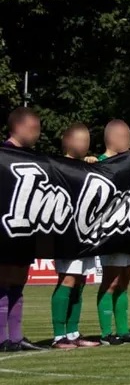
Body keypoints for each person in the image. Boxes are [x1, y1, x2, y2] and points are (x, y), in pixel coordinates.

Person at [94, 120, 130, 344]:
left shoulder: (129, 163)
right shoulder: (100, 164)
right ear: (112, 138)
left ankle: (123, 330)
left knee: (124, 280)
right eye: (125, 137)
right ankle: (106, 333)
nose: (129, 142)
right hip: (109, 232)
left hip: (128, 230)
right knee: (111, 281)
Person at [50, 123, 100, 349]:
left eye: (87, 140)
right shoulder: (57, 166)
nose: (85, 144)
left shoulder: (89, 167)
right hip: (66, 233)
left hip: (86, 234)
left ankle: (73, 333)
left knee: (80, 282)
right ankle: (59, 335)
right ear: (67, 141)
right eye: (80, 139)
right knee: (68, 280)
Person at [1, 107, 46, 351]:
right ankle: (1, 338)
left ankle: (16, 337)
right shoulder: (3, 154)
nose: (38, 134)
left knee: (19, 280)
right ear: (19, 127)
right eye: (34, 129)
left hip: (25, 229)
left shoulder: (35, 158)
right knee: (3, 279)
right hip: (6, 229)